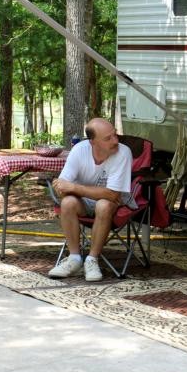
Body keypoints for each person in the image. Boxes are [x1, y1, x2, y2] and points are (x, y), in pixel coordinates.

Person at [48, 118, 134, 282]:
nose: (115, 140)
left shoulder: (123, 152)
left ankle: (92, 259)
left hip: (112, 204)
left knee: (103, 205)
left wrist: (74, 188)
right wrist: (64, 188)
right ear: (92, 142)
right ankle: (74, 259)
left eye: (115, 135)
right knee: (68, 203)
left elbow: (112, 195)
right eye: (108, 138)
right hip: (84, 201)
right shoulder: (79, 150)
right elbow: (61, 187)